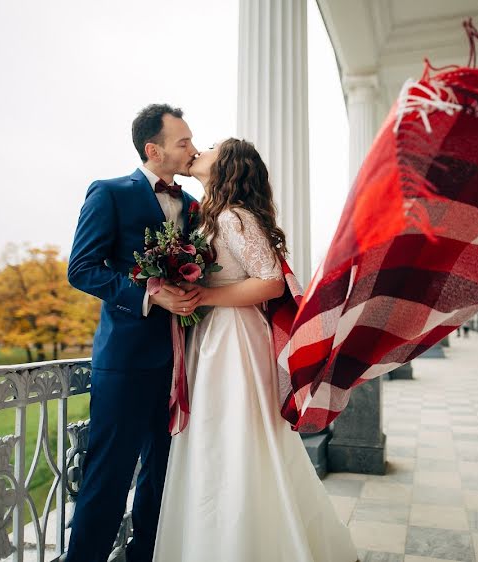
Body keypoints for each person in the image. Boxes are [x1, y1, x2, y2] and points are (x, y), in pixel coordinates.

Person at [153, 138, 357, 562]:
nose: (199, 151)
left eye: (210, 147)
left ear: (227, 165)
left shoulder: (234, 216)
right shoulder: (215, 214)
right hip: (214, 337)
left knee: (235, 436)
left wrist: (203, 297)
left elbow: (270, 282)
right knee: (217, 436)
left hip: (234, 341)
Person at [65, 104, 203, 562]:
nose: (192, 148)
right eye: (182, 142)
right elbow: (82, 269)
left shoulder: (193, 207)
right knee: (108, 476)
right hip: (124, 361)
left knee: (163, 476)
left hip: (183, 359)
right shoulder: (108, 193)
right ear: (153, 148)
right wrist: (150, 295)